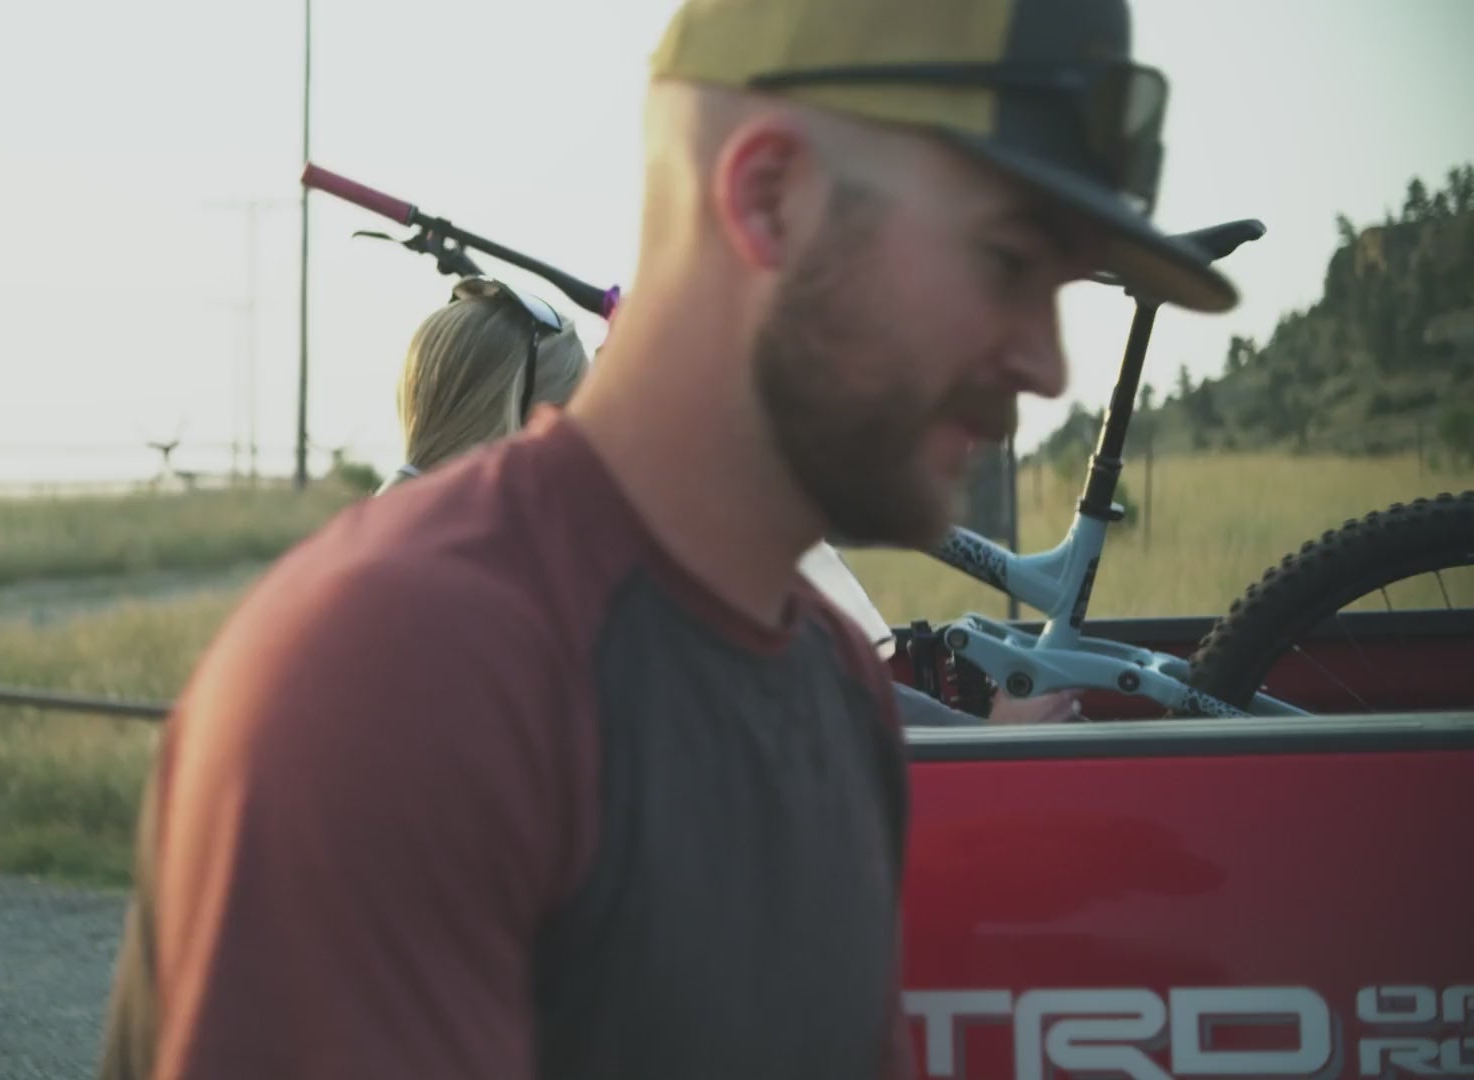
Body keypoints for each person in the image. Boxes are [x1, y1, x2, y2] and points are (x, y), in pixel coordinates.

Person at [96, 0, 1238, 1076]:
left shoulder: (833, 688)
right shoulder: (411, 672)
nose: (1047, 362)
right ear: (770, 200)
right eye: (1003, 260)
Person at [380, 276, 1079, 726]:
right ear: (533, 422)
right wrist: (987, 739)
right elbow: (802, 690)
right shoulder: (552, 585)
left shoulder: (387, 553)